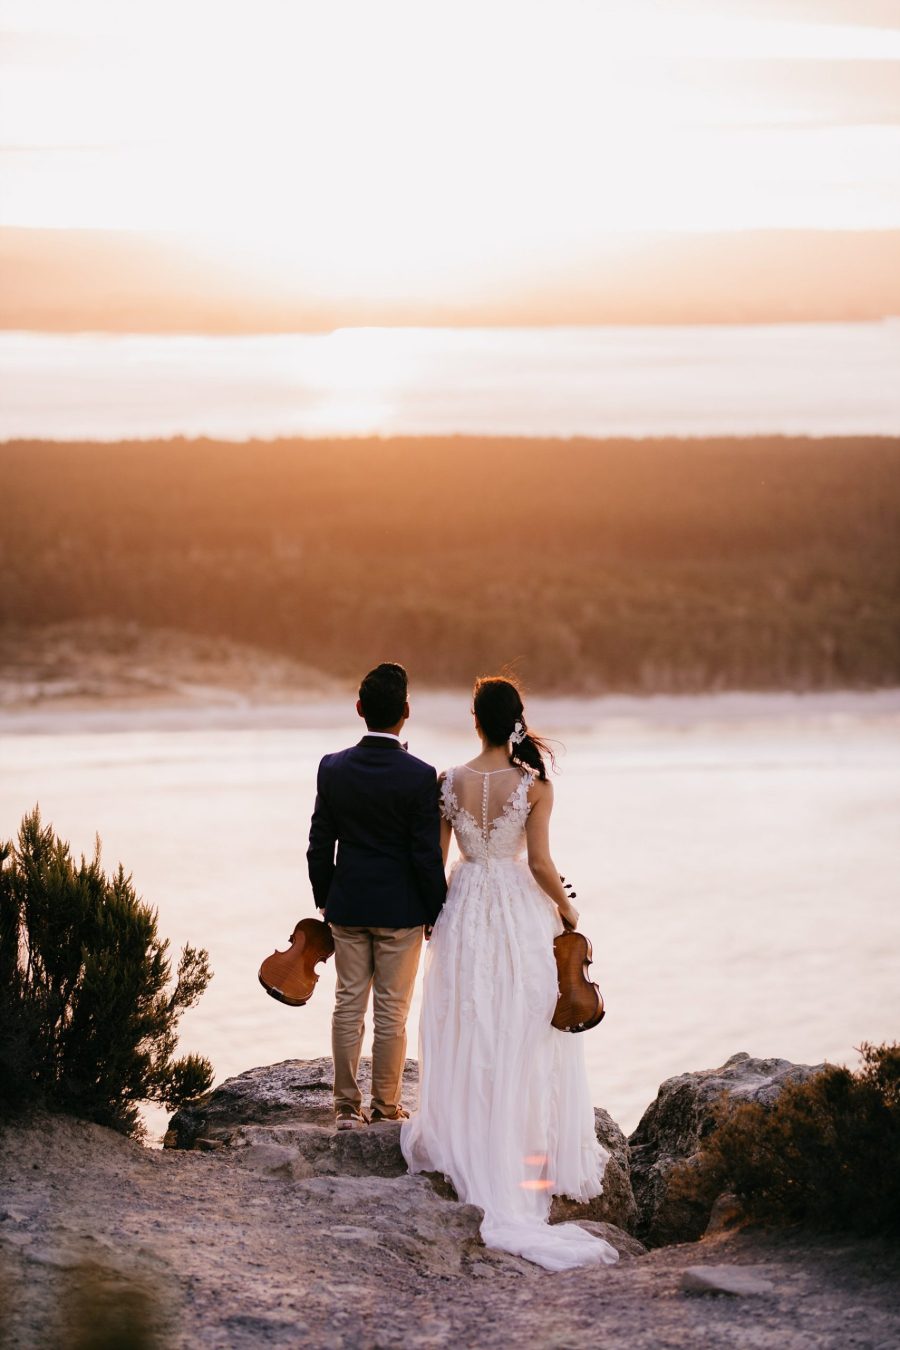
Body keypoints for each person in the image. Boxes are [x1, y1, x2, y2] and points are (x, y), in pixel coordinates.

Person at [401, 675, 619, 1271]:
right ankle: (520, 1153)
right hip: (519, 909)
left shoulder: (449, 782)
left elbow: (437, 860)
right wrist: (568, 909)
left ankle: (472, 1138)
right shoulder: (534, 786)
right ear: (516, 721)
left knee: (469, 1020)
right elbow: (543, 863)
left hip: (466, 902)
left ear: (476, 720)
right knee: (524, 1026)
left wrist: (430, 919)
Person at [307, 662, 446, 1130]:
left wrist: (326, 898)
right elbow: (425, 856)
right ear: (405, 711)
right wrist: (435, 910)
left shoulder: (333, 767)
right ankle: (386, 1107)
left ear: (360, 709)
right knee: (391, 1011)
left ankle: (346, 1107)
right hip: (400, 909)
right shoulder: (419, 775)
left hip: (348, 904)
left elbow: (319, 843)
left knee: (347, 1003)